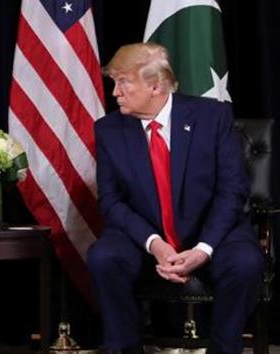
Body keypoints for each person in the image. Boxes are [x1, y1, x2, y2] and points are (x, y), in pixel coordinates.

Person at [87, 42, 263, 354]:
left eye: (123, 81)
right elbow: (111, 201)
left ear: (155, 85)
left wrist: (203, 249)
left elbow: (232, 190)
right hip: (144, 237)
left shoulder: (212, 117)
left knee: (246, 262)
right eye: (114, 82)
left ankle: (224, 349)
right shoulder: (109, 129)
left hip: (210, 233)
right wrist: (154, 243)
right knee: (104, 257)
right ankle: (124, 348)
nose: (115, 92)